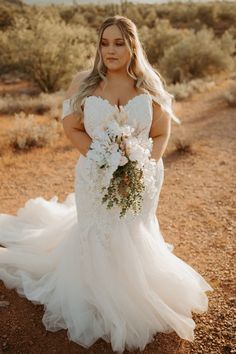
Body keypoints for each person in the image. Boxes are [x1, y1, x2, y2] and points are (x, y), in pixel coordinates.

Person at [0, 15, 213, 354]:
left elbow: (161, 133)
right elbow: (72, 127)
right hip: (94, 173)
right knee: (100, 232)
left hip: (143, 174)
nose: (111, 50)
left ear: (133, 46)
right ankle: (96, 290)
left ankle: (133, 287)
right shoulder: (83, 83)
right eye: (105, 42)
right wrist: (100, 159)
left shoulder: (149, 85)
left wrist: (144, 163)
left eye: (119, 43)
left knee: (132, 230)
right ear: (98, 46)